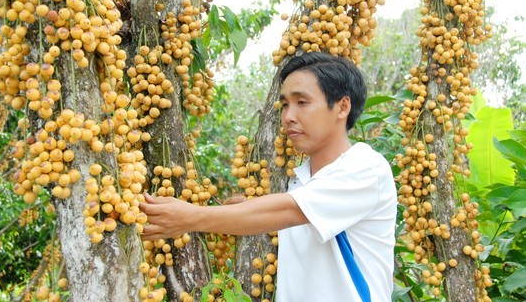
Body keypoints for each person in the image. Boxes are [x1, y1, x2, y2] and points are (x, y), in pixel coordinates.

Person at [139, 52, 397, 301]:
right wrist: (239, 212)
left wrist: (191, 217)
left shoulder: (365, 168)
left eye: (302, 103)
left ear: (342, 106)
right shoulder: (298, 179)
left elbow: (287, 210)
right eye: (285, 105)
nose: (288, 117)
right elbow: (283, 210)